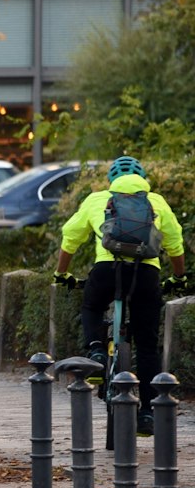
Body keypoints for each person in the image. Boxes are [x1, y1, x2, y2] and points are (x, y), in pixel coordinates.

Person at [55, 155, 187, 434]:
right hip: (146, 274)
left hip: (106, 269)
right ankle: (148, 413)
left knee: (91, 306)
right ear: (143, 179)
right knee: (147, 345)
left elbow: (70, 237)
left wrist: (61, 273)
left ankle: (97, 351)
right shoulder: (156, 201)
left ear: (111, 180)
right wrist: (178, 277)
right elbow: (175, 244)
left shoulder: (97, 199)